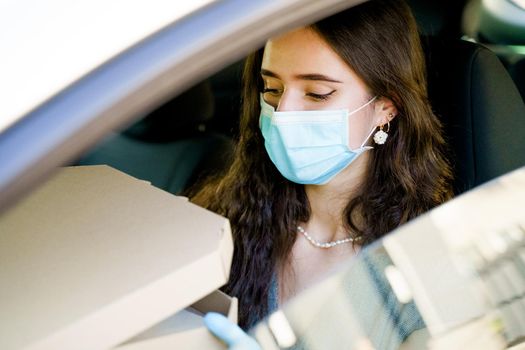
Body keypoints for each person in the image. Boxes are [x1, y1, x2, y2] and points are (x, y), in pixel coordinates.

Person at [189, 0, 454, 347]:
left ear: (385, 107)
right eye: (272, 89)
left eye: (317, 93)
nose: (283, 113)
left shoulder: (425, 259)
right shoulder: (223, 219)